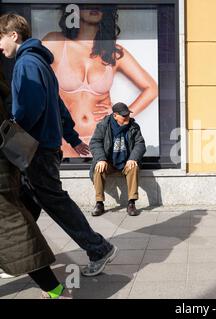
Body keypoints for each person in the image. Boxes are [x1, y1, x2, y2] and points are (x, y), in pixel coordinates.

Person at [0, 13, 118, 277]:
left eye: (0, 39)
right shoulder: (40, 63)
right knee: (25, 204)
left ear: (13, 35)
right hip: (44, 148)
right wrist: (73, 138)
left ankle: (98, 248)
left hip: (36, 150)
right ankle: (17, 256)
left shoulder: (27, 64)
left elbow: (31, 109)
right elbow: (59, 105)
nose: (0, 47)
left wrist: (13, 135)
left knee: (55, 203)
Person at [42, 4, 158, 158]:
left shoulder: (113, 52)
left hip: (102, 140)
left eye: (100, 3)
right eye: (87, 2)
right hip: (64, 140)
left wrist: (122, 115)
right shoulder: (55, 42)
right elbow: (32, 82)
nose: (94, 6)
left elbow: (151, 88)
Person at [0, 62, 71, 299]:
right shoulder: (35, 63)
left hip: (29, 152)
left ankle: (54, 288)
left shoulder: (28, 64)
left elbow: (36, 109)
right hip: (21, 153)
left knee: (14, 223)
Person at [89, 102, 146, 217]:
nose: (127, 118)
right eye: (124, 116)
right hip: (109, 162)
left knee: (134, 166)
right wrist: (101, 159)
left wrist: (133, 158)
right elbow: (95, 142)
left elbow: (140, 144)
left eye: (128, 115)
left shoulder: (133, 126)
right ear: (115, 116)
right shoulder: (103, 125)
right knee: (98, 168)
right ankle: (99, 203)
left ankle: (131, 203)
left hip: (125, 162)